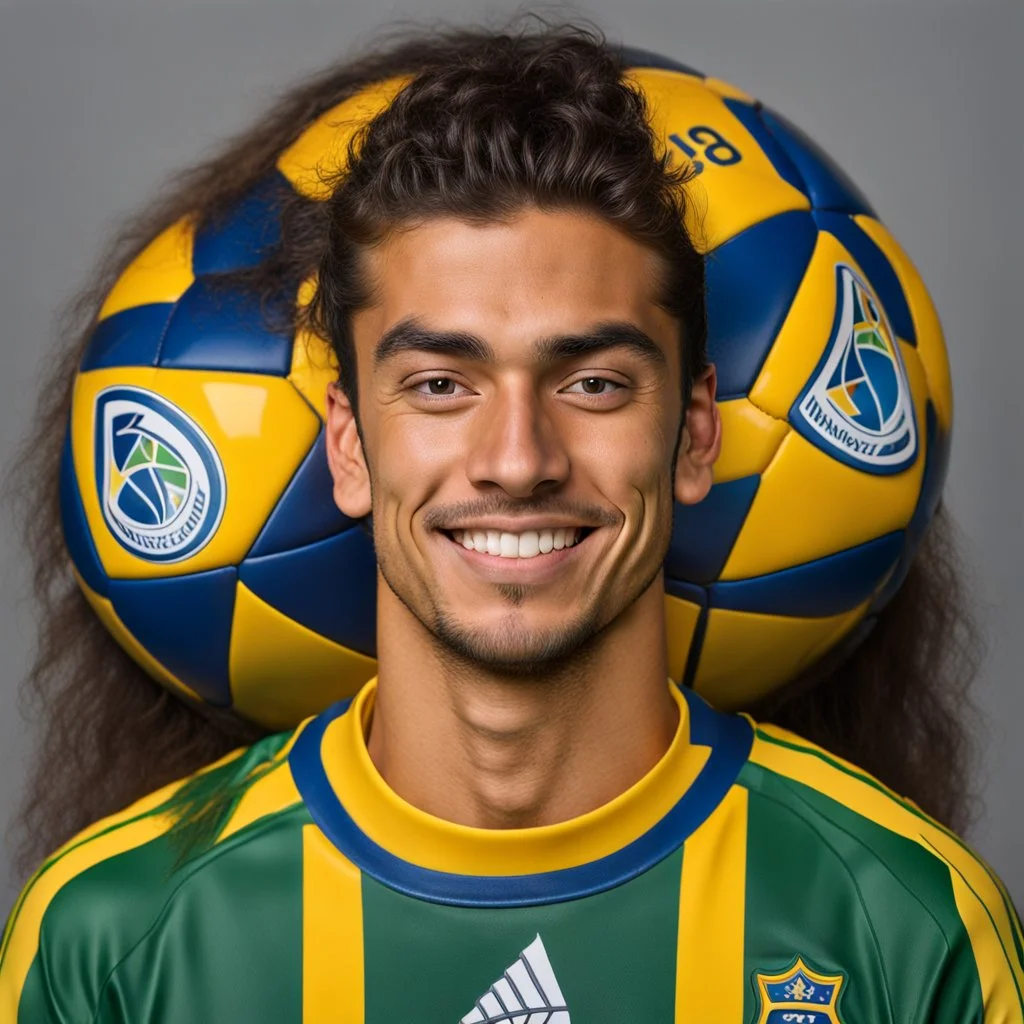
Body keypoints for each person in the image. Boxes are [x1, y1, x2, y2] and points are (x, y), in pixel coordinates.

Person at [2, 23, 1020, 1023]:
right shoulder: (111, 939)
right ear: (349, 446)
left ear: (694, 433)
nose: (518, 459)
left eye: (592, 381)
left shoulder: (905, 923)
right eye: (442, 383)